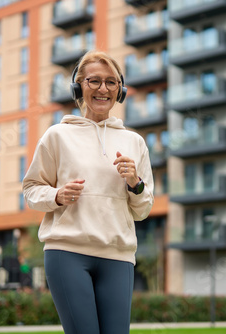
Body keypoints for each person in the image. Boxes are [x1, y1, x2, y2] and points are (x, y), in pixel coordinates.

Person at [22, 50, 154, 334]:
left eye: (111, 82)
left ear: (120, 91)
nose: (103, 89)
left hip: (118, 256)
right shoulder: (57, 135)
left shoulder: (135, 142)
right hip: (67, 252)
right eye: (94, 81)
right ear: (78, 86)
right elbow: (31, 189)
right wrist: (57, 196)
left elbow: (143, 209)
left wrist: (135, 183)